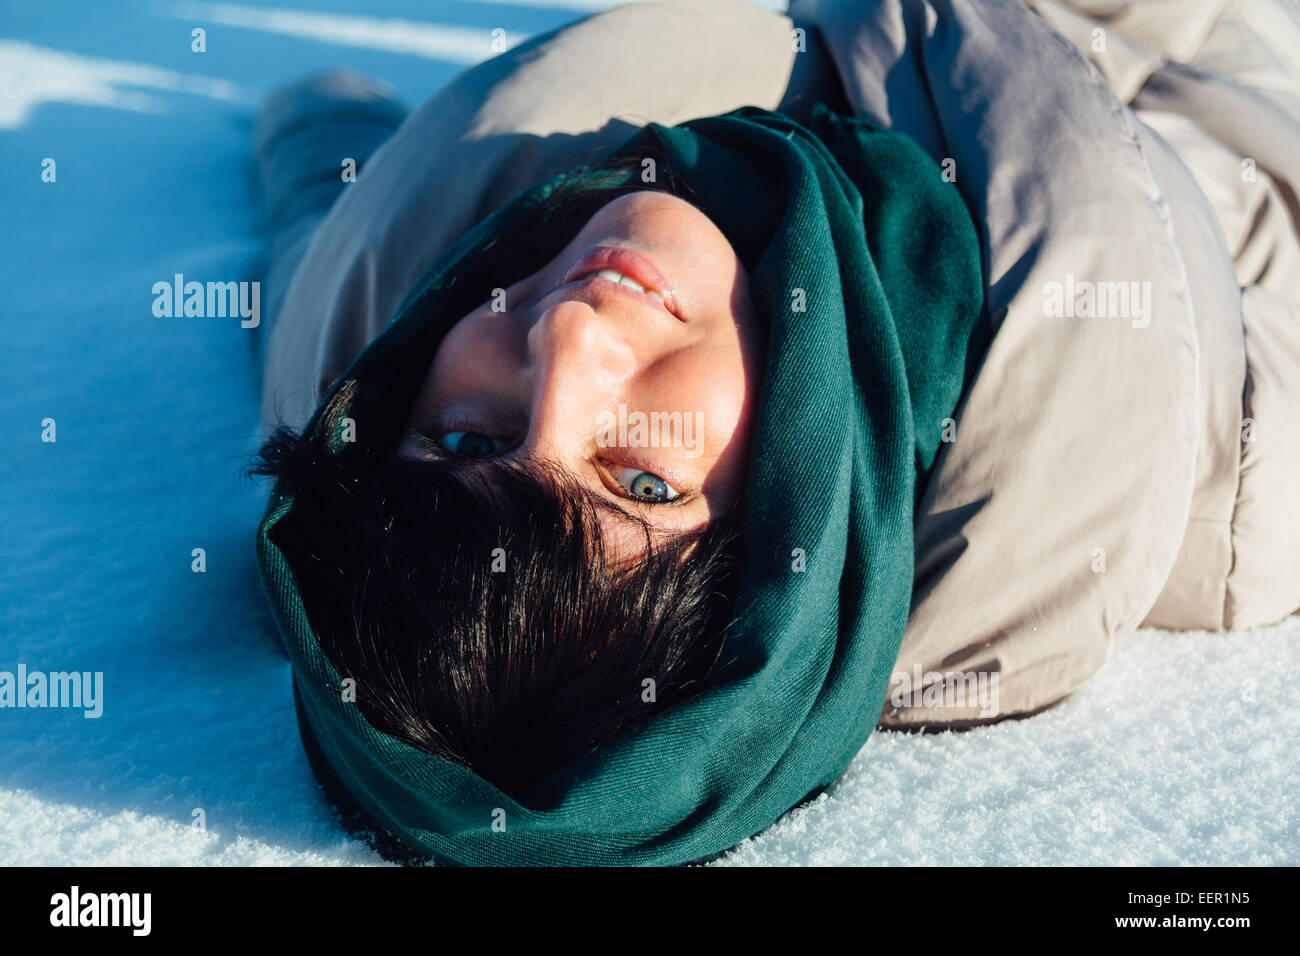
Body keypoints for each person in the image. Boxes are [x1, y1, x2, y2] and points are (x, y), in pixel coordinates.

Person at [251, 0, 1300, 865]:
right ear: (791, 549)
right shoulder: (1236, 477)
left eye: (471, 441)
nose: (568, 341)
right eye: (644, 480)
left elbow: (325, 224)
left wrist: (313, 121)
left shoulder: (379, 305)